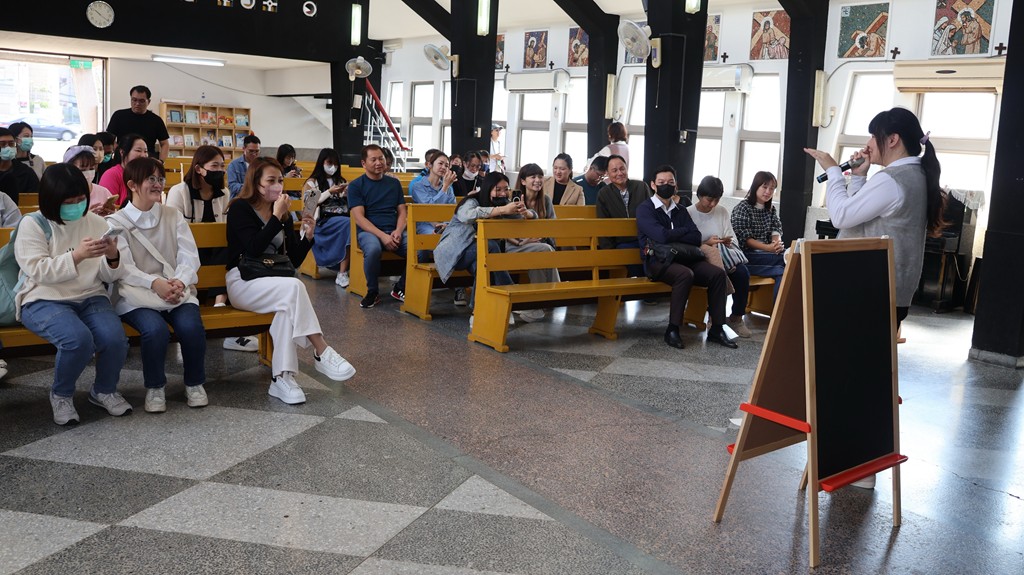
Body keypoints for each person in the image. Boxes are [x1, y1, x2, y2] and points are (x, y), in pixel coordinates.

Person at [804, 106, 943, 491]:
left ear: (892, 139)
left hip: (867, 291)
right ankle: (861, 468)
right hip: (891, 291)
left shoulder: (894, 179)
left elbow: (841, 217)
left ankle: (854, 463)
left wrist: (834, 171)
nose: (867, 144)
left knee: (850, 378)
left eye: (873, 136)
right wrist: (859, 177)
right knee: (866, 377)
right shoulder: (915, 176)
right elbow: (863, 218)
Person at [225, 157, 356, 404]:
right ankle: (321, 350)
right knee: (295, 287)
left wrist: (308, 236)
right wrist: (275, 216)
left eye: (280, 180)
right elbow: (252, 249)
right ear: (256, 183)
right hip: (243, 281)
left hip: (274, 284)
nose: (277, 185)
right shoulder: (240, 208)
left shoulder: (283, 214)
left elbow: (292, 260)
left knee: (285, 310)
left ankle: (282, 378)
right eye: (271, 180)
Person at [14, 163, 130, 425]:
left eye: (81, 199)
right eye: (69, 202)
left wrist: (112, 256)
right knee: (77, 340)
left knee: (114, 339)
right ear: (51, 200)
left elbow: (109, 276)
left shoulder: (97, 222)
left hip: (90, 294)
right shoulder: (33, 224)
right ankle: (62, 394)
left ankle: (104, 390)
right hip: (43, 297)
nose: (77, 206)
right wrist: (77, 256)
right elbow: (38, 270)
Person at [108, 157, 208, 413]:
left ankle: (195, 383)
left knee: (191, 327)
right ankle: (155, 387)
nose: (157, 184)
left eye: (160, 178)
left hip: (176, 290)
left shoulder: (172, 215)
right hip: (137, 295)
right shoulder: (116, 222)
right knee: (155, 331)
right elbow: (124, 267)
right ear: (132, 184)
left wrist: (180, 281)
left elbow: (189, 255)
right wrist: (155, 283)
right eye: (150, 179)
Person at [166, 146, 252, 353]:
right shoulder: (179, 192)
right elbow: (172, 233)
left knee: (230, 246)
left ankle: (220, 303)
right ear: (199, 169)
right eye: (214, 166)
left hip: (216, 253)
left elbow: (226, 229)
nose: (220, 170)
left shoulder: (224, 193)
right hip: (187, 253)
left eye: (222, 166)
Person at [636, 177, 737, 350]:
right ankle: (673, 329)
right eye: (661, 182)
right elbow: (660, 236)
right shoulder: (645, 209)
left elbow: (696, 237)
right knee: (684, 274)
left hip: (684, 258)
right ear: (653, 184)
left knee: (717, 274)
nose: (666, 185)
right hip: (658, 261)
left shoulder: (680, 210)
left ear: (676, 184)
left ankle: (717, 328)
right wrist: (682, 232)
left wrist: (673, 233)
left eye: (670, 182)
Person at [434, 172, 529, 325]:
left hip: (478, 254)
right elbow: (467, 215)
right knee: (491, 246)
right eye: (498, 189)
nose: (503, 193)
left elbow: (524, 218)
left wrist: (525, 212)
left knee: (484, 268)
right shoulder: (472, 201)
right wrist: (501, 210)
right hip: (454, 252)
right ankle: (512, 298)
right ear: (488, 188)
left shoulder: (503, 203)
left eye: (506, 189)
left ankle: (477, 313)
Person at [687, 175, 752, 338]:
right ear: (699, 195)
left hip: (723, 254)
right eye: (709, 199)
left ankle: (737, 317)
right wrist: (707, 243)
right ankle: (714, 318)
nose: (713, 204)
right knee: (717, 273)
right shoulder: (688, 213)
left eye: (717, 200)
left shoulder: (721, 211)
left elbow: (732, 236)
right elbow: (687, 244)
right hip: (701, 257)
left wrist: (725, 241)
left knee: (742, 273)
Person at [348, 144, 408, 308]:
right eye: (373, 159)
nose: (378, 163)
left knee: (419, 251)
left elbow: (402, 211)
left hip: (393, 230)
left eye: (381, 158)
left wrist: (398, 230)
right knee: (373, 249)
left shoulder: (393, 184)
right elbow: (359, 218)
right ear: (363, 163)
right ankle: (373, 292)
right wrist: (383, 236)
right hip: (369, 232)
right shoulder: (356, 185)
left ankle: (400, 288)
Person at [512, 163, 560, 322]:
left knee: (539, 256)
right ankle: (555, 293)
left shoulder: (545, 200)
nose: (538, 180)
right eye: (533, 177)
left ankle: (536, 305)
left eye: (540, 176)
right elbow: (506, 230)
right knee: (544, 250)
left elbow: (552, 226)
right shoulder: (514, 199)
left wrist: (539, 236)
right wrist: (525, 240)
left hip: (538, 245)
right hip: (515, 246)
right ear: (523, 181)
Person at [730, 171, 785, 300]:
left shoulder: (771, 209)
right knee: (787, 262)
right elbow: (745, 239)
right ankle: (780, 312)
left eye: (772, 188)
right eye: (765, 187)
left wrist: (776, 244)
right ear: (755, 186)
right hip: (746, 256)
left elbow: (776, 229)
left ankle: (779, 312)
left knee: (786, 268)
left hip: (766, 254)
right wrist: (769, 248)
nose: (768, 191)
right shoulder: (743, 208)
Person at [305, 148, 352, 288]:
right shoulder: (312, 182)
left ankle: (348, 270)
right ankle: (342, 273)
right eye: (330, 163)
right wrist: (329, 192)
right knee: (349, 224)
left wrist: (347, 193)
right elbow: (310, 205)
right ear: (322, 162)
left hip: (341, 217)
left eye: (336, 164)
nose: (333, 167)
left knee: (353, 223)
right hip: (321, 222)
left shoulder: (340, 181)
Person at [596, 155, 651, 253]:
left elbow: (652, 214)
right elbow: (603, 224)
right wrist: (608, 252)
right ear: (607, 173)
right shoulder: (604, 193)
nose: (620, 173)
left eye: (622, 169)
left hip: (645, 240)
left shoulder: (641, 186)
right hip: (620, 243)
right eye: (614, 170)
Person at [105, 85, 170, 160]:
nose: (137, 103)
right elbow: (109, 139)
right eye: (134, 100)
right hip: (123, 159)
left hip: (146, 160)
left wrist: (161, 161)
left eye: (141, 101)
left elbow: (165, 144)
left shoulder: (156, 120)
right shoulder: (118, 115)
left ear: (148, 102)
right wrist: (118, 151)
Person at [62, 145, 116, 216]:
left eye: (91, 169)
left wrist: (111, 214)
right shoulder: (62, 194)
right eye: (83, 169)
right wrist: (89, 217)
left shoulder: (103, 192)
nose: (88, 172)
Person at [98, 133, 148, 207]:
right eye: (138, 150)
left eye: (145, 151)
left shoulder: (146, 176)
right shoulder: (111, 175)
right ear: (122, 152)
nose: (143, 155)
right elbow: (108, 209)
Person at [0, 127, 40, 205]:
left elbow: (34, 200)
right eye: (2, 144)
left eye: (11, 144)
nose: (8, 147)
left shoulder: (26, 172)